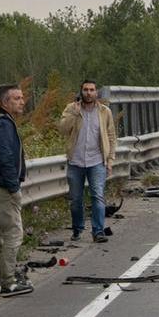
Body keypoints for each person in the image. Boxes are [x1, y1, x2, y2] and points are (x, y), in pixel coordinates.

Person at [0, 85, 31, 297]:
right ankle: (8, 281)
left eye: (22, 97)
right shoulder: (3, 126)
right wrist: (13, 188)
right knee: (13, 232)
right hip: (2, 188)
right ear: (4, 102)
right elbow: (5, 158)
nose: (22, 101)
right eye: (16, 98)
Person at [57, 80, 117, 245]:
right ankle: (77, 228)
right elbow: (62, 129)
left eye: (92, 90)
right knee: (76, 199)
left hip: (97, 161)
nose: (89, 93)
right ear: (81, 92)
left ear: (96, 92)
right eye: (85, 90)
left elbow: (111, 137)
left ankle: (98, 231)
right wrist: (75, 114)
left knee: (97, 195)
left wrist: (110, 160)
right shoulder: (71, 109)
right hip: (75, 161)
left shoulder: (105, 112)